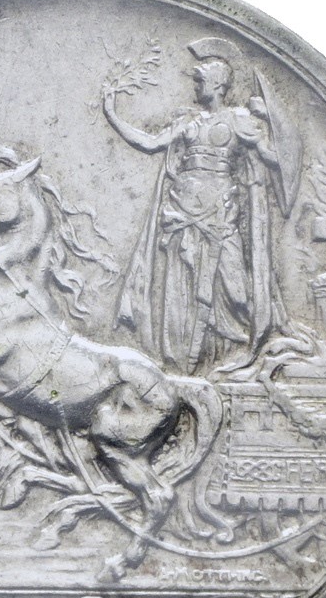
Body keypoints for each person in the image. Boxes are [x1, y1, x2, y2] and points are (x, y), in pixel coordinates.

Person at [105, 38, 290, 376]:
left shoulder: (238, 120)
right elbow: (150, 143)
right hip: (182, 216)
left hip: (220, 219)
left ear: (217, 84)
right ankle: (184, 365)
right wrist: (112, 115)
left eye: (200, 80)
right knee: (181, 293)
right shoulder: (188, 122)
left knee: (236, 292)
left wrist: (271, 120)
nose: (195, 86)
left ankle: (243, 345)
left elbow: (276, 158)